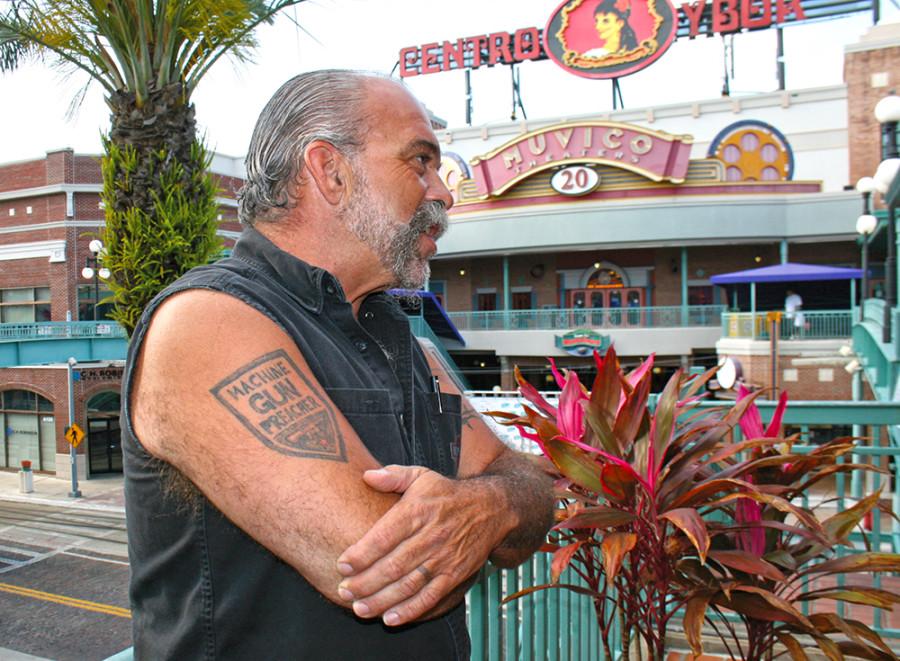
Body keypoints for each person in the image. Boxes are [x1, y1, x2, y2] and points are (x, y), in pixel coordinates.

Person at [121, 70, 555, 660]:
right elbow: (382, 565)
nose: (443, 193)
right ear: (329, 171)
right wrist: (485, 511)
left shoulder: (403, 342)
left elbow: (527, 483)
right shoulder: (206, 321)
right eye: (420, 162)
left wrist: (491, 504)